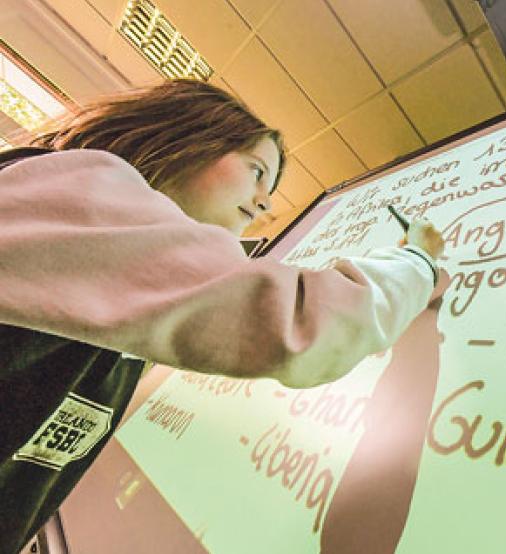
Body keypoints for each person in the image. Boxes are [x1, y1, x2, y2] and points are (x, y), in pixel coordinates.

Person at [0, 79, 446, 552]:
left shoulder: (123, 300)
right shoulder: (84, 184)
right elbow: (301, 323)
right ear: (193, 136)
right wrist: (418, 260)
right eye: (256, 171)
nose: (264, 203)